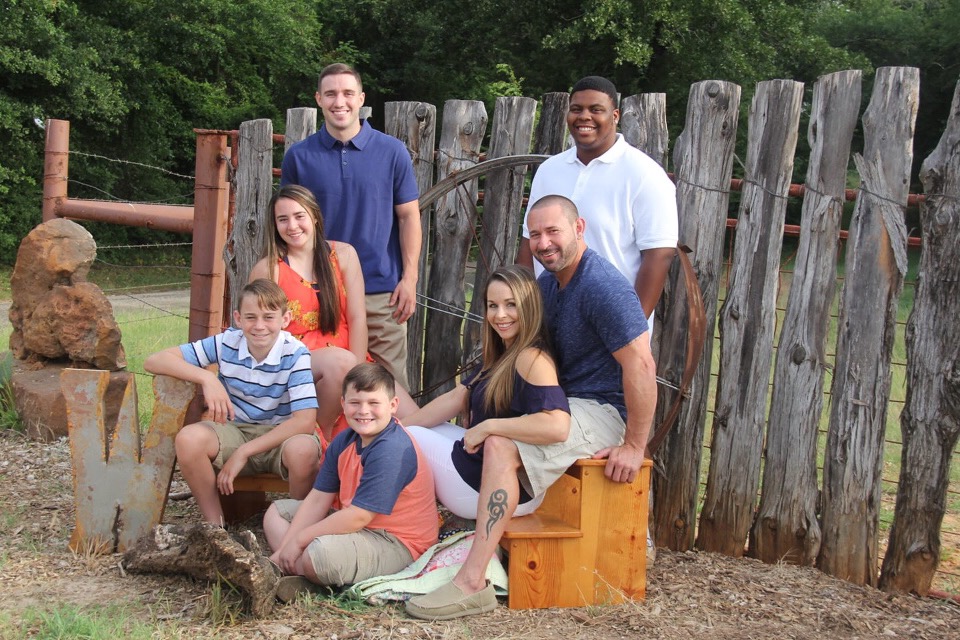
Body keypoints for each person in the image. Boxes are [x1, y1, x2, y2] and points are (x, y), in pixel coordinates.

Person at [405, 196, 656, 620]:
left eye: (553, 231)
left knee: (501, 443)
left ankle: (471, 583)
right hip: (560, 400)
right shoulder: (549, 286)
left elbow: (642, 364)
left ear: (579, 228)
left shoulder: (602, 287)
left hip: (598, 409)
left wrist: (634, 445)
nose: (543, 243)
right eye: (535, 234)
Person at [281, 62, 421, 389]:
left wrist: (410, 279)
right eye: (330, 94)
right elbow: (288, 224)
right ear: (319, 99)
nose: (339, 101)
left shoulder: (392, 152)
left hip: (381, 293)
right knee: (323, 386)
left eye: (347, 93)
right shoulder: (299, 157)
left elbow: (408, 217)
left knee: (389, 389)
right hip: (321, 292)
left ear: (361, 98)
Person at [144, 279, 320, 525]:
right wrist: (207, 377)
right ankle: (215, 528)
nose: (259, 326)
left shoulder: (295, 353)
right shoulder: (226, 343)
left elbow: (305, 422)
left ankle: (297, 525)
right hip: (235, 430)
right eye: (250, 317)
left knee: (304, 450)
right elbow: (154, 360)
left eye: (269, 317)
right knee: (188, 439)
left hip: (280, 436)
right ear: (238, 318)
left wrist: (244, 452)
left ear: (285, 319)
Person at [403, 265, 571, 520]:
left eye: (511, 304)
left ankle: (394, 515)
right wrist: (395, 427)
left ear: (529, 307)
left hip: (498, 490)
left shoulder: (532, 357)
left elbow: (558, 426)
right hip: (484, 471)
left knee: (409, 436)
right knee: (408, 430)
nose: (500, 315)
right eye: (493, 306)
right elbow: (455, 398)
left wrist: (489, 426)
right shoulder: (504, 352)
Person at [517, 75, 678, 334]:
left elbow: (659, 256)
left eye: (596, 109)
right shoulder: (549, 170)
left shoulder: (645, 175)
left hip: (609, 327)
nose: (584, 117)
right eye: (576, 109)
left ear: (615, 116)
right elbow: (528, 244)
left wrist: (628, 331)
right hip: (547, 324)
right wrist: (527, 317)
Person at [263, 363, 438, 596]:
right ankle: (298, 570)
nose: (363, 411)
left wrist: (299, 541)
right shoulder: (345, 440)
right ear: (343, 404)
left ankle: (307, 571)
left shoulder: (392, 449)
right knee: (276, 513)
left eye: (374, 403)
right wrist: (286, 547)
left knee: (319, 555)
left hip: (395, 541)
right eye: (355, 402)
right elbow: (318, 499)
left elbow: (359, 517)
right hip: (354, 524)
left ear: (393, 405)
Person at [250, 185, 369, 442]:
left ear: (314, 215)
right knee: (341, 363)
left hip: (350, 356)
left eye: (299, 216)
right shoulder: (269, 269)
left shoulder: (343, 255)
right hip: (298, 363)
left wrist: (360, 375)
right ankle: (319, 436)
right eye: (283, 219)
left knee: (410, 416)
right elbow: (258, 331)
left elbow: (357, 318)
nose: (292, 226)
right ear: (275, 225)